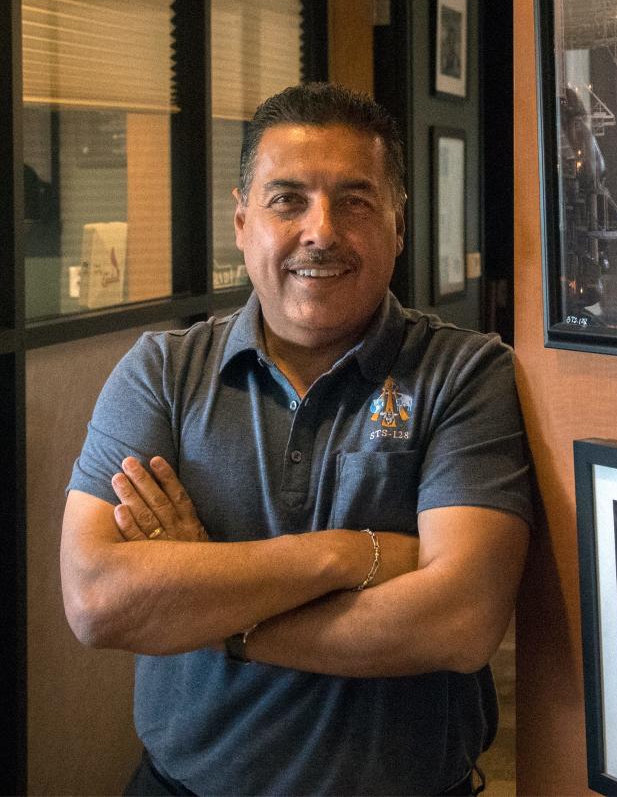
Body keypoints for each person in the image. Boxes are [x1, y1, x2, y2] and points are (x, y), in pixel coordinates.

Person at [60, 82, 532, 796]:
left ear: (398, 225)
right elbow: (97, 599)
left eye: (356, 200)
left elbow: (460, 621)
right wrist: (351, 556)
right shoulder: (161, 372)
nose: (322, 230)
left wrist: (221, 618)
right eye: (288, 200)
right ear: (242, 220)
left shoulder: (466, 373)